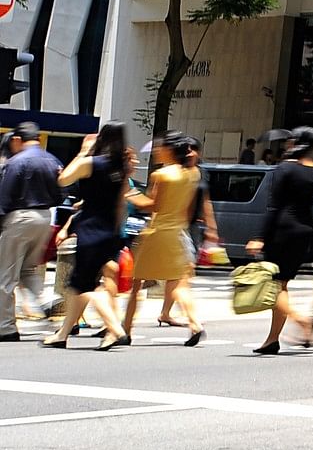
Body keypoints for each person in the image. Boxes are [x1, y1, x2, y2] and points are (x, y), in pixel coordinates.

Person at [46, 122, 132, 350]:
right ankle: (62, 334)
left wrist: (84, 151)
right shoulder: (121, 167)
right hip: (110, 232)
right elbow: (121, 202)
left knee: (86, 286)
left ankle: (115, 329)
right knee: (79, 284)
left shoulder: (91, 164)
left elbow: (63, 179)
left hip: (90, 230)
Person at [246, 126, 313, 354]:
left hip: (282, 230)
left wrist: (259, 237)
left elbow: (274, 207)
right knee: (282, 284)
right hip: (305, 232)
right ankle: (272, 339)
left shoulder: (284, 169)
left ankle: (300, 319)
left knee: (274, 286)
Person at [125, 133, 212, 346]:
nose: (156, 151)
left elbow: (151, 205)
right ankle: (195, 324)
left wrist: (128, 193)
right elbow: (190, 207)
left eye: (160, 147)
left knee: (136, 283)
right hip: (178, 232)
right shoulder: (194, 174)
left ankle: (126, 329)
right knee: (179, 283)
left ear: (170, 150)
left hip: (156, 232)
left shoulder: (162, 175)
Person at [0, 123, 63, 341]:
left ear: (17, 139)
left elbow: (4, 196)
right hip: (45, 216)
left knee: (5, 275)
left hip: (19, 218)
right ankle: (47, 299)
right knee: (28, 269)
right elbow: (61, 193)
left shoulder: (16, 161)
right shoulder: (52, 160)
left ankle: (5, 327)